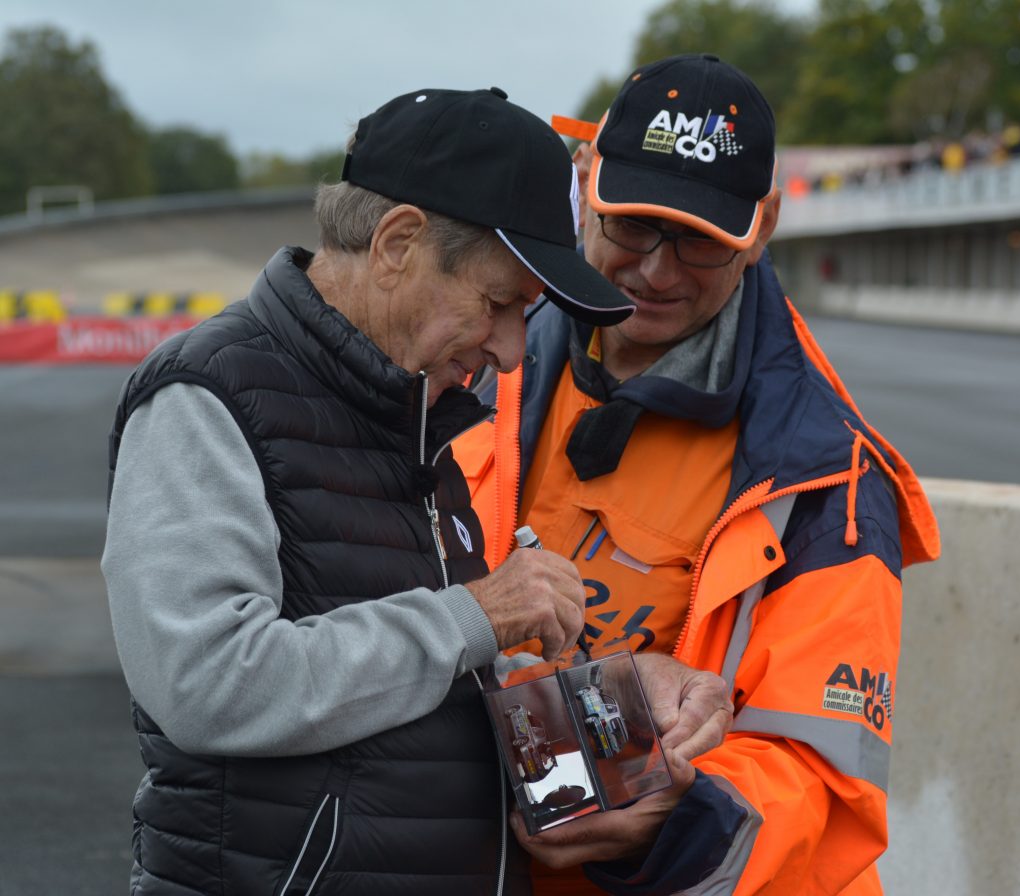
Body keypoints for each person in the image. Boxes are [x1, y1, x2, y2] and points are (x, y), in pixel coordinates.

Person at [102, 86, 731, 896]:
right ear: (398, 242)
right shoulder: (205, 394)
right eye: (500, 304)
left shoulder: (417, 413)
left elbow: (426, 694)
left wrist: (625, 705)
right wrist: (483, 611)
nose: (512, 352)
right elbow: (209, 683)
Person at [454, 55, 941, 895]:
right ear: (583, 183)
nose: (657, 270)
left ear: (764, 225)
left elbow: (821, 785)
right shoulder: (466, 366)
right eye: (633, 225)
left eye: (701, 239)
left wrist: (668, 827)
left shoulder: (828, 482)